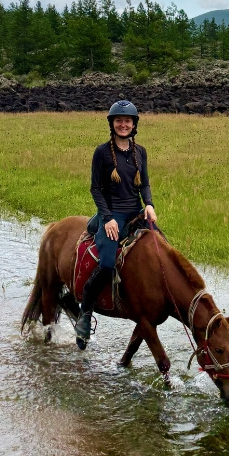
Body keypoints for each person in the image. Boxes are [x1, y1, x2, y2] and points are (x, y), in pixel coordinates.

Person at [74, 100, 157, 349]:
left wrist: (149, 205)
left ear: (134, 125)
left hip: (135, 212)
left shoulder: (139, 152)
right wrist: (107, 217)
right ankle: (85, 314)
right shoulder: (101, 152)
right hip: (112, 215)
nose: (123, 124)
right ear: (112, 124)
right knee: (108, 262)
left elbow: (144, 184)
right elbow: (95, 188)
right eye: (119, 121)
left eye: (127, 121)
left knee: (160, 247)